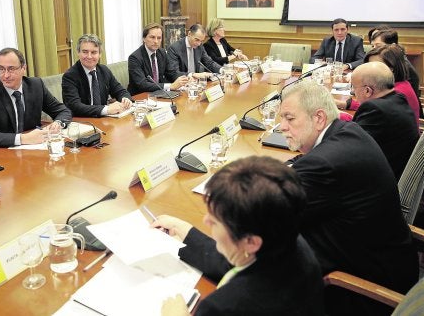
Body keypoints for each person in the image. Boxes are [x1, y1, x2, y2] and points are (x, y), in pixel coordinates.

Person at [279, 82, 418, 316]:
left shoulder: (325, 163)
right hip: (387, 259)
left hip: (361, 290)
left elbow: (267, 215)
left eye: (289, 119)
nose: (281, 127)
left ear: (319, 118)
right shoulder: (348, 131)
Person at [155, 156, 324, 316]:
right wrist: (183, 231)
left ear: (251, 242)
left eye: (215, 220)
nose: (206, 220)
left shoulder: (224, 307)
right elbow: (238, 263)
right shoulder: (292, 242)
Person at [0, 48, 72, 148]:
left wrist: (58, 123)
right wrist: (23, 138)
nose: (6, 75)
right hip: (4, 152)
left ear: (23, 68)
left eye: (11, 69)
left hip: (35, 150)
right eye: (1, 69)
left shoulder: (36, 85)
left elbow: (63, 111)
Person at [350, 62, 418, 180]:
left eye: (353, 88)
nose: (353, 93)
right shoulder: (397, 98)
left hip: (379, 183)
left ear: (367, 91)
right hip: (394, 171)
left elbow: (348, 147)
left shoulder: (375, 109)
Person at [338, 44, 421, 128]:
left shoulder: (397, 92)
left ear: (392, 68)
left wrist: (337, 115)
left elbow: (365, 122)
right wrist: (343, 104)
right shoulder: (396, 85)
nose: (369, 70)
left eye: (377, 65)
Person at [62, 34, 133, 117]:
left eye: (94, 52)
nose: (89, 56)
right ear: (78, 53)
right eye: (85, 52)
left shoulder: (104, 70)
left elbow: (120, 91)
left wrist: (125, 99)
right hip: (83, 121)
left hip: (104, 119)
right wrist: (106, 109)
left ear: (100, 54)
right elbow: (75, 106)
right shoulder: (70, 76)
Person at [370, 29, 422, 115]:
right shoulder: (392, 62)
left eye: (378, 46)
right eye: (373, 46)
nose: (374, 50)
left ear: (393, 46)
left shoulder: (402, 67)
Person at [127, 23, 188, 95]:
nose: (156, 41)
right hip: (140, 97)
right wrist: (170, 86)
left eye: (159, 38)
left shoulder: (162, 53)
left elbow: (171, 73)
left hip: (159, 94)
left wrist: (187, 78)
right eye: (152, 37)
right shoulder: (135, 58)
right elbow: (142, 84)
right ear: (144, 38)